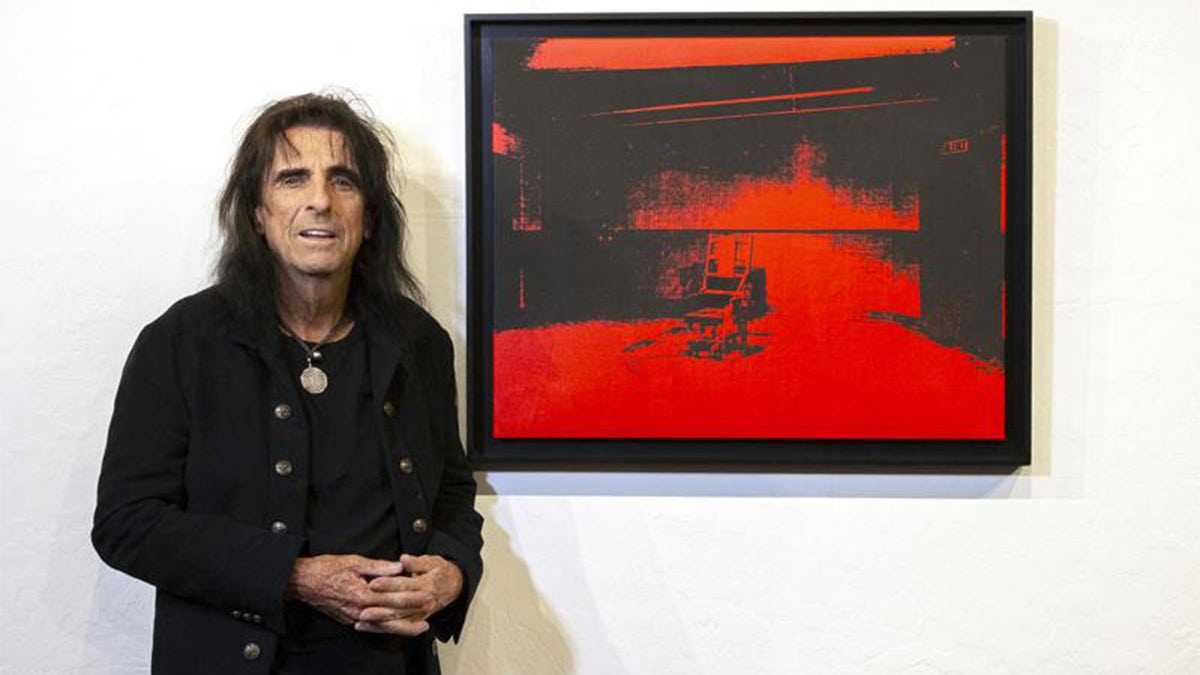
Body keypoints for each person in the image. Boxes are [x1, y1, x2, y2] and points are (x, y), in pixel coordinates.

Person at [92, 93, 483, 674]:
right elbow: (126, 523)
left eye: (343, 181)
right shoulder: (181, 341)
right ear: (256, 211)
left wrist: (451, 571)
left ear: (370, 216)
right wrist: (295, 577)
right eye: (292, 179)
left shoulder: (418, 343)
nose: (320, 201)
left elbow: (452, 492)